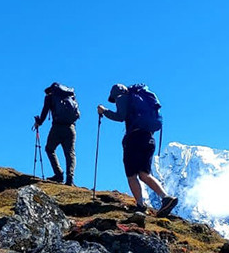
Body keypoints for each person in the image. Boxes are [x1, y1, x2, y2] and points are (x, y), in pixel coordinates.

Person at [97, 83, 178, 217]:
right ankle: (166, 197)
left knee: (131, 175)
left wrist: (104, 111)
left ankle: (140, 205)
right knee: (144, 174)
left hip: (134, 139)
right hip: (149, 138)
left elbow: (120, 116)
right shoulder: (141, 99)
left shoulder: (122, 97)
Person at [33, 82, 79, 185]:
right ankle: (70, 179)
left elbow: (44, 112)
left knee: (49, 149)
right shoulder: (71, 97)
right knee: (70, 153)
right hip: (71, 128)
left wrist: (38, 122)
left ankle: (58, 174)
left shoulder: (50, 97)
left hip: (57, 127)